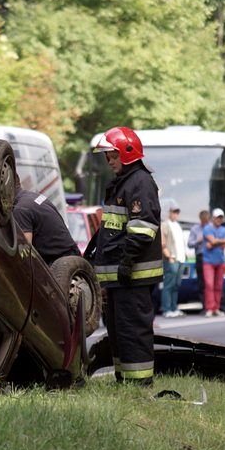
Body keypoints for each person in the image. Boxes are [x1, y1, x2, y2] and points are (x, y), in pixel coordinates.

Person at [87, 127, 163, 385]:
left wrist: (127, 262)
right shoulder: (122, 183)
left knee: (133, 332)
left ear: (127, 153)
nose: (109, 162)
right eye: (107, 157)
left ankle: (140, 384)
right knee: (118, 333)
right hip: (118, 277)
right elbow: (110, 228)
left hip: (133, 275)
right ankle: (124, 380)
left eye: (112, 156)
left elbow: (143, 229)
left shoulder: (140, 182)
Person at [13, 174, 79, 266]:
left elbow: (25, 253)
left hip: (60, 264)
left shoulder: (20, 209)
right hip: (73, 257)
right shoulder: (35, 196)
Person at [202, 208, 225, 317]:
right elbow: (212, 241)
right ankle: (210, 308)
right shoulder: (207, 228)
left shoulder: (224, 230)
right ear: (213, 218)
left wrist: (215, 243)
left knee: (218, 286)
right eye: (217, 217)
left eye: (221, 218)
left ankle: (216, 308)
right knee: (209, 285)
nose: (219, 220)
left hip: (220, 261)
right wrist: (219, 242)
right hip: (208, 261)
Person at [160, 202, 186, 318]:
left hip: (180, 259)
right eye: (174, 212)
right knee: (168, 285)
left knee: (176, 285)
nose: (176, 214)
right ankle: (166, 309)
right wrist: (169, 256)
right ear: (170, 212)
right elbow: (162, 242)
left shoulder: (178, 225)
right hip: (172, 258)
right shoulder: (165, 224)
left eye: (177, 212)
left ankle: (174, 308)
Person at [187, 210, 210, 310]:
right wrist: (198, 241)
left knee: (210, 282)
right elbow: (189, 243)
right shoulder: (195, 229)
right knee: (201, 282)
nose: (205, 223)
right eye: (203, 221)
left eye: (206, 221)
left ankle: (213, 305)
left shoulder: (211, 228)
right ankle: (204, 306)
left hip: (210, 256)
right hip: (200, 256)